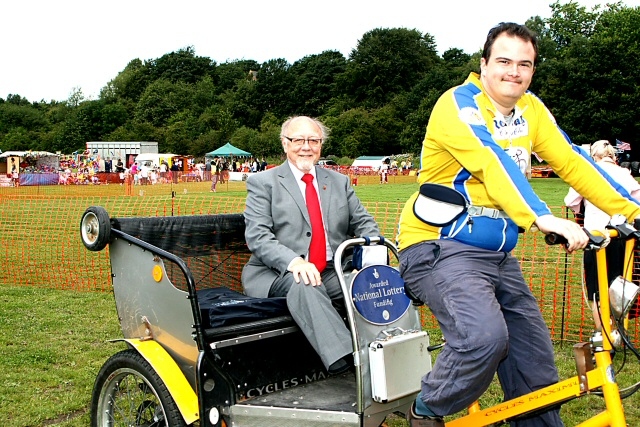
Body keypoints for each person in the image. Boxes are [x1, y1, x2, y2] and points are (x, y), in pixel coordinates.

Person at [396, 22, 640, 427]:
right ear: (484, 64)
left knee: (536, 366)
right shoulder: (459, 104)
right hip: (440, 247)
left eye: (524, 64)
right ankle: (427, 409)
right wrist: (542, 216)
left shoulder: (531, 108)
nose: (514, 72)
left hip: (497, 255)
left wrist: (633, 209)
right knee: (484, 339)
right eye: (504, 61)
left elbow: (572, 161)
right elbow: (492, 161)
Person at [242, 115, 380, 374]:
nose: (306, 146)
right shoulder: (263, 183)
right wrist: (294, 261)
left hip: (331, 269)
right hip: (279, 273)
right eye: (299, 140)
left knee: (367, 285)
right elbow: (258, 236)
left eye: (313, 140)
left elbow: (365, 224)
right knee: (305, 282)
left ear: (321, 146)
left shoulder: (339, 182)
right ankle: (350, 365)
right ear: (285, 144)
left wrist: (371, 257)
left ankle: (385, 354)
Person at [565, 140, 640, 328]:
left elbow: (571, 200)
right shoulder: (624, 172)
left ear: (593, 156)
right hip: (622, 235)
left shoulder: (588, 171)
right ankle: (618, 331)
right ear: (612, 156)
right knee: (619, 284)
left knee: (596, 288)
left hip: (596, 237)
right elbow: (637, 199)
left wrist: (580, 211)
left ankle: (603, 332)